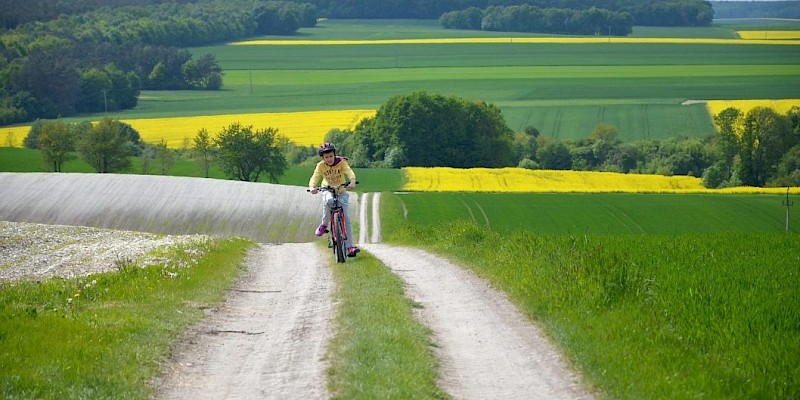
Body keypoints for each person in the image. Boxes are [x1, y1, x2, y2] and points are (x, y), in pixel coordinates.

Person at [308, 143, 360, 257]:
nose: (329, 159)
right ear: (323, 158)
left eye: (331, 156)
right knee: (329, 201)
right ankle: (324, 225)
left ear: (334, 155)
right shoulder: (320, 166)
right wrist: (312, 187)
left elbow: (349, 172)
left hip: (341, 190)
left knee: (346, 218)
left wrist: (352, 181)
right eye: (326, 157)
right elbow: (314, 177)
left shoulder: (341, 162)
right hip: (327, 189)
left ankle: (350, 246)